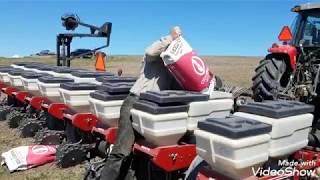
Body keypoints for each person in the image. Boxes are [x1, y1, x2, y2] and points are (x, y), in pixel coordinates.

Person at [99, 26, 183, 180]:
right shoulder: (154, 57)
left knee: (145, 151)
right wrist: (171, 37)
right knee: (121, 150)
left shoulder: (174, 68)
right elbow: (150, 51)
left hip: (155, 109)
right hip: (135, 103)